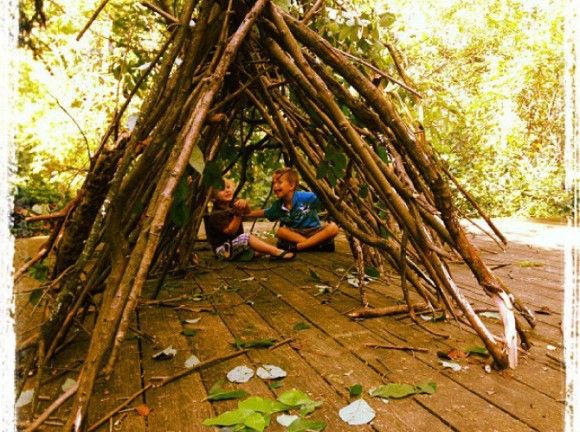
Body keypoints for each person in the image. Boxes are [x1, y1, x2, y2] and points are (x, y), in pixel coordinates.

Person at [248, 168, 339, 252]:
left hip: (314, 231)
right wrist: (246, 213)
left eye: (279, 182)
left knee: (333, 228)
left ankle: (300, 247)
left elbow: (326, 200)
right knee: (281, 231)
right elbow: (265, 213)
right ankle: (314, 245)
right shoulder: (278, 206)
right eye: (273, 183)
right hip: (296, 234)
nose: (275, 186)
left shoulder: (306, 197)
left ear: (291, 185)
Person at [204, 178, 296, 261]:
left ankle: (250, 254)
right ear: (212, 198)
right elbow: (231, 231)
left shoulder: (233, 204)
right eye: (221, 189)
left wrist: (245, 204)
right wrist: (238, 214)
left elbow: (248, 212)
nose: (227, 191)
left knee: (258, 245)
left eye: (228, 187)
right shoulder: (216, 214)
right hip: (223, 250)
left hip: (235, 244)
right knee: (246, 237)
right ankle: (276, 252)